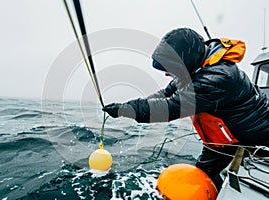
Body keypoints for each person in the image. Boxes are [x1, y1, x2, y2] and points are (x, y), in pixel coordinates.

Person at [102, 27, 269, 190]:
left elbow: (169, 108)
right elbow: (165, 93)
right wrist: (127, 105)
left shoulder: (216, 78)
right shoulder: (193, 70)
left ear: (184, 61)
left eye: (170, 68)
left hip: (256, 139)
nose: (167, 74)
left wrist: (125, 110)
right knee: (204, 174)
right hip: (222, 140)